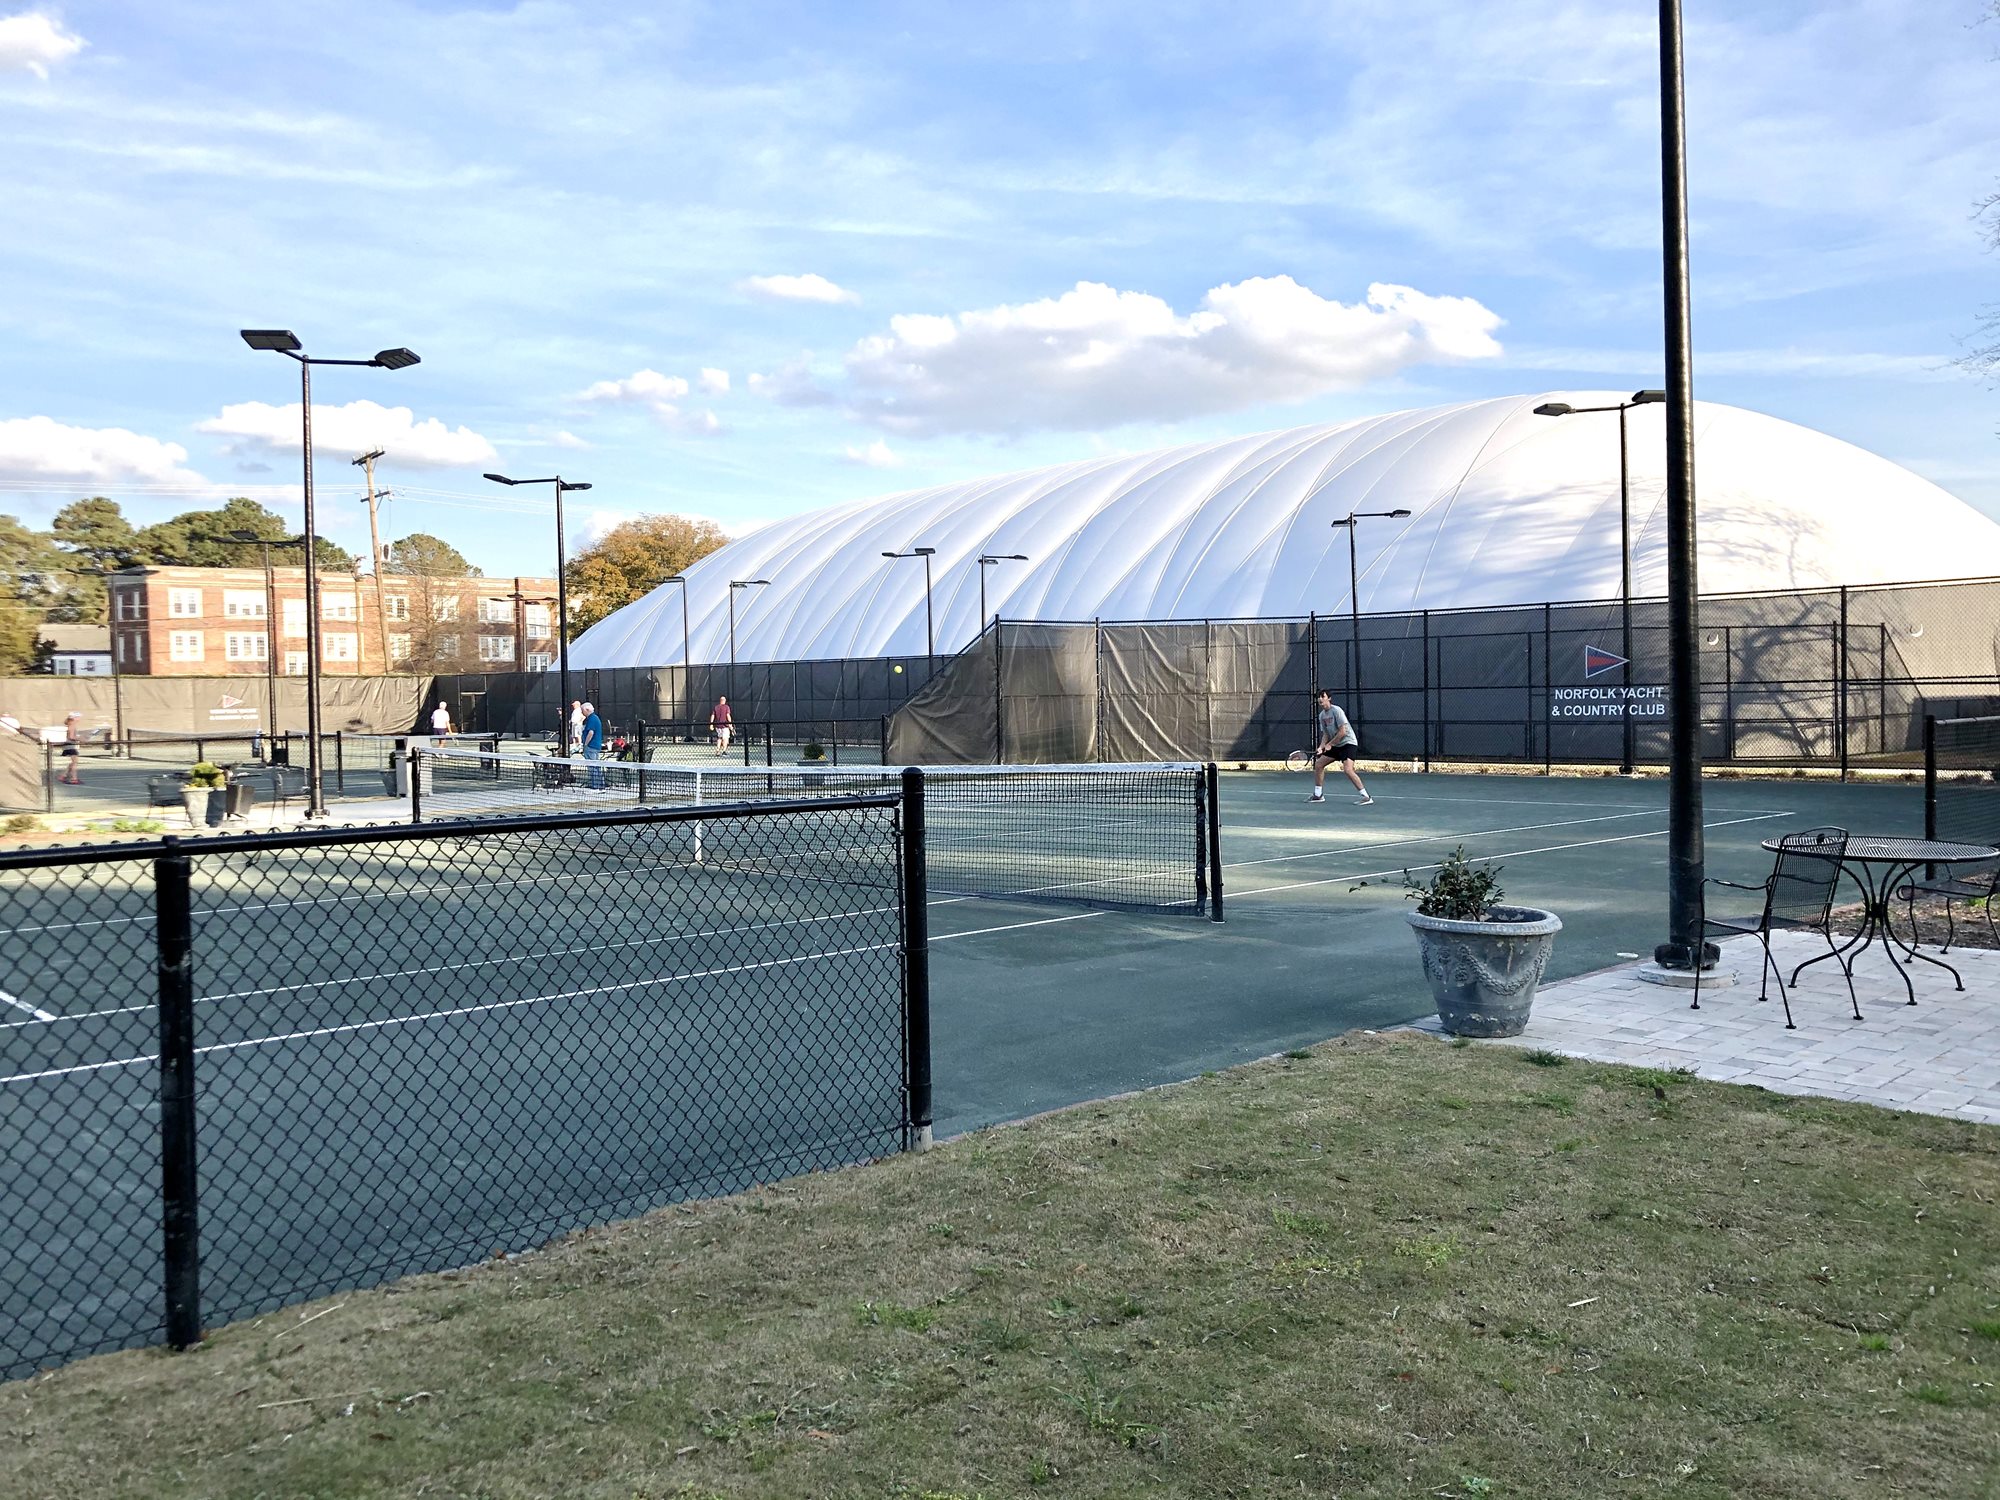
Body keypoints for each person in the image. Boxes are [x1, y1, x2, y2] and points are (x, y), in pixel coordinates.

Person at [1308, 689, 1372, 806]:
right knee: (1318, 764)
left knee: (1348, 769)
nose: (1320, 699)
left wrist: (1330, 745)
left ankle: (1366, 796)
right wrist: (1321, 747)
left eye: (1323, 697)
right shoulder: (1322, 716)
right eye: (1319, 698)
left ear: (1329, 698)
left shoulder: (1337, 711)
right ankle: (1318, 795)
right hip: (1336, 744)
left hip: (1348, 743)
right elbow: (1326, 734)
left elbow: (1343, 732)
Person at [580, 701, 605, 788]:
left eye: (582, 710)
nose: (582, 713)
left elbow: (591, 733)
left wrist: (585, 745)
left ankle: (596, 786)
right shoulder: (593, 718)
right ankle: (599, 785)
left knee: (593, 767)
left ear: (587, 709)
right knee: (595, 767)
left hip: (591, 746)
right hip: (594, 746)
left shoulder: (592, 718)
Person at [58, 712, 84, 786]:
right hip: (69, 745)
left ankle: (63, 776)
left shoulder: (71, 725)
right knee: (75, 762)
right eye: (78, 717)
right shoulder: (72, 726)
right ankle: (74, 779)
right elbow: (71, 737)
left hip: (69, 745)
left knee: (73, 762)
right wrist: (80, 739)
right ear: (74, 718)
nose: (79, 719)